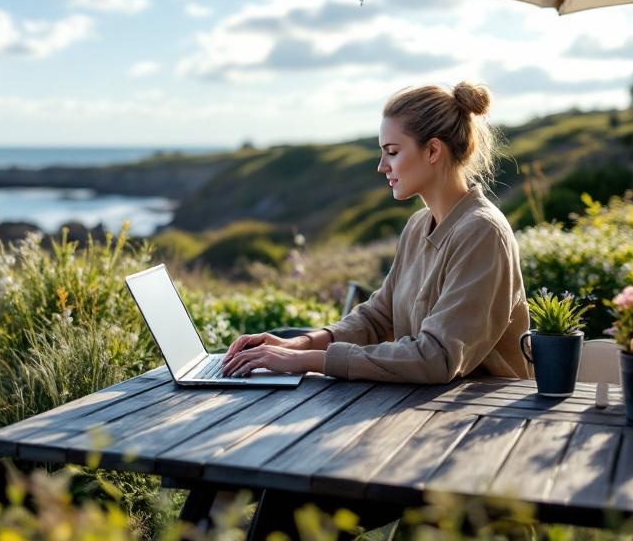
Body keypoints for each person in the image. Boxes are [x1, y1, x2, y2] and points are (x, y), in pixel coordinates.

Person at [221, 81, 531, 384]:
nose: (382, 166)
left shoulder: (483, 233)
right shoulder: (418, 226)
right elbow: (378, 317)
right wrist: (298, 345)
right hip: (424, 402)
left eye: (392, 152)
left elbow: (436, 357)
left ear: (433, 150)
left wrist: (307, 361)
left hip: (481, 409)